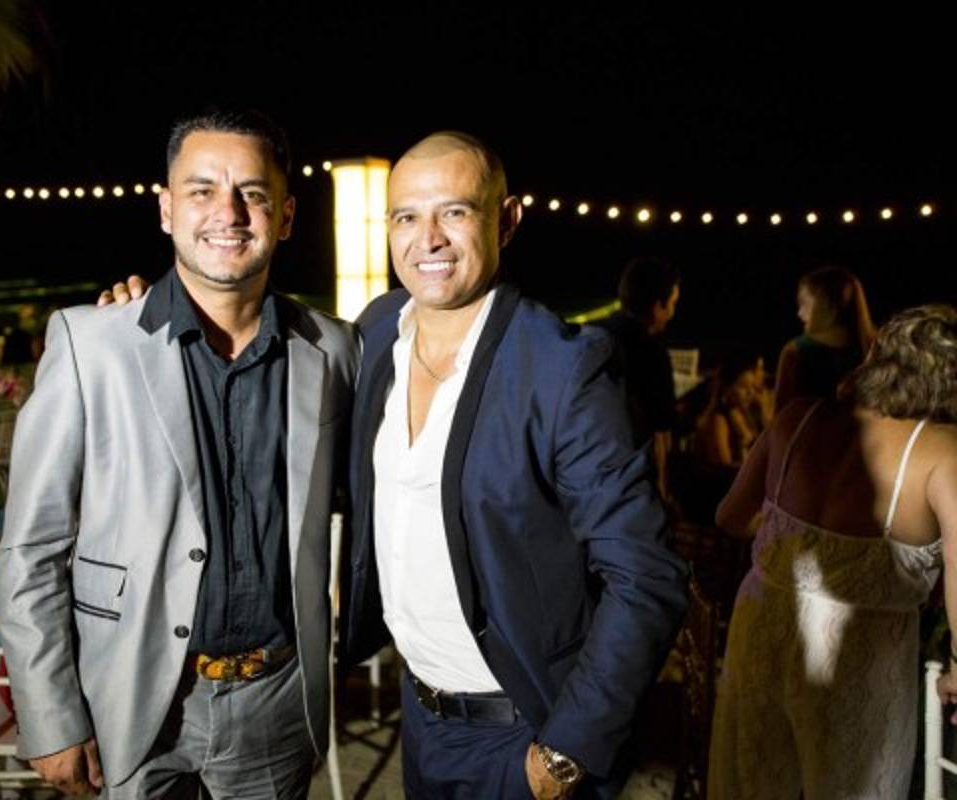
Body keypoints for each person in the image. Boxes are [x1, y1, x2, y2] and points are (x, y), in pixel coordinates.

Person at [0, 107, 359, 799]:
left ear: (285, 216)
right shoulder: (91, 344)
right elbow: (32, 546)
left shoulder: (335, 349)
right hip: (131, 695)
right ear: (167, 210)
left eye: (253, 193)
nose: (229, 212)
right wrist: (48, 714)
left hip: (276, 698)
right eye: (202, 190)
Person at [341, 132, 687, 799]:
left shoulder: (563, 367)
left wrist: (563, 754)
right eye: (407, 216)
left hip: (523, 732)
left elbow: (646, 576)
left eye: (454, 212)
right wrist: (138, 320)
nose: (428, 239)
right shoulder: (378, 331)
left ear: (507, 220)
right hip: (421, 719)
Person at [709, 304, 957, 799]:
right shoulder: (942, 451)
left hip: (764, 626)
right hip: (860, 650)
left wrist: (795, 546)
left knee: (751, 784)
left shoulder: (798, 417)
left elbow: (730, 517)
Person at [594, 257, 680, 502]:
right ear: (657, 306)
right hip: (630, 483)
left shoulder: (593, 337)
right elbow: (660, 431)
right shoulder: (651, 350)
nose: (672, 313)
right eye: (672, 304)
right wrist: (663, 494)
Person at [773, 265, 876, 411]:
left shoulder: (796, 352)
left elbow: (781, 416)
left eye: (804, 304)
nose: (799, 313)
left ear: (825, 305)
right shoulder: (876, 350)